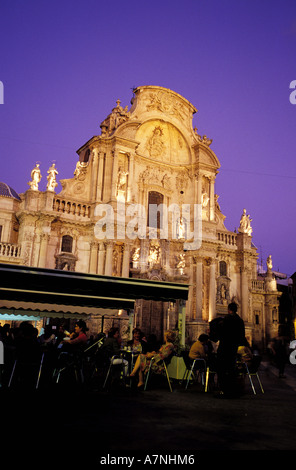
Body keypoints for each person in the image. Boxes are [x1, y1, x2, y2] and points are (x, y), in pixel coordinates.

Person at [216, 302, 245, 397]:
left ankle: (223, 390)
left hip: (224, 347)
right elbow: (242, 336)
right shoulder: (240, 320)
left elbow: (220, 332)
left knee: (222, 369)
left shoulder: (226, 319)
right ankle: (232, 390)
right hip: (233, 348)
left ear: (229, 309)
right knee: (232, 368)